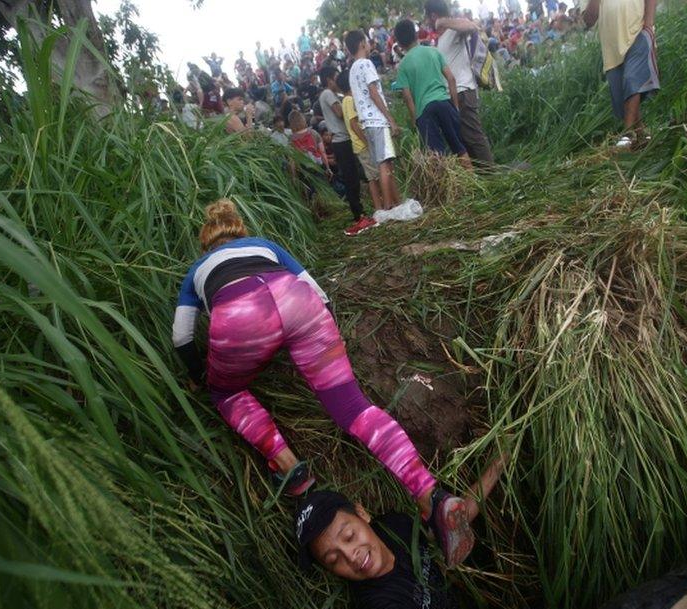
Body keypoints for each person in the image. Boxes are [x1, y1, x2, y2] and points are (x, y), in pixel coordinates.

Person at [172, 200, 477, 566]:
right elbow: (314, 288)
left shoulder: (196, 269)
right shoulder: (265, 246)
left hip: (242, 318)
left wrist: (196, 376)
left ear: (207, 244)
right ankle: (431, 496)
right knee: (354, 408)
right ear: (240, 231)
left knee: (226, 391)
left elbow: (181, 338)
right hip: (298, 302)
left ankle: (291, 469)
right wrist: (327, 335)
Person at [295, 456, 506, 609]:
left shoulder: (396, 526)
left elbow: (452, 525)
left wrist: (499, 462)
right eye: (333, 560)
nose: (351, 556)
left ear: (361, 515)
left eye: (349, 536)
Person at [346, 30, 420, 231]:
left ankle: (395, 203)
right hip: (377, 120)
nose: (370, 45)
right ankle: (388, 207)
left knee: (384, 162)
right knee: (385, 164)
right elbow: (373, 93)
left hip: (366, 122)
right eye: (367, 42)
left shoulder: (352, 69)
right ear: (362, 43)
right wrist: (390, 119)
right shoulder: (366, 64)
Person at [424, 0, 496, 166]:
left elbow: (471, 26)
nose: (427, 22)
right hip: (455, 95)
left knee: (474, 137)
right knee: (465, 139)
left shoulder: (453, 29)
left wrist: (443, 21)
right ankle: (484, 175)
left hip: (464, 91)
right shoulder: (441, 39)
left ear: (433, 16)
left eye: (428, 17)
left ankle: (492, 176)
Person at [394, 20, 472, 168]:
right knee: (460, 148)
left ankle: (448, 189)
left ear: (399, 43)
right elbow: (451, 78)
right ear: (416, 34)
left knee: (437, 157)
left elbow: (407, 97)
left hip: (424, 111)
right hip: (444, 102)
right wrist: (454, 106)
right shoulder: (433, 51)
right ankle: (473, 186)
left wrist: (415, 119)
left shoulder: (403, 65)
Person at [583, 0, 658, 148]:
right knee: (621, 94)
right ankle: (641, 134)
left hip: (638, 32)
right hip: (612, 46)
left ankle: (628, 133)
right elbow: (589, 20)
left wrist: (648, 25)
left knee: (632, 78)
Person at [318, 66, 366, 230]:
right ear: (328, 80)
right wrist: (348, 101)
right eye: (335, 77)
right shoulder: (327, 94)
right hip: (341, 140)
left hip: (342, 140)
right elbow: (339, 113)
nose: (337, 80)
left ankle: (359, 211)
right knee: (351, 177)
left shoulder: (332, 94)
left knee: (353, 175)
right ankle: (358, 214)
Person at [337, 70, 383, 223]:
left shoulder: (345, 100)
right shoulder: (349, 100)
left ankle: (380, 207)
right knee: (373, 177)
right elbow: (353, 123)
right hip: (361, 145)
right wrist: (367, 141)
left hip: (359, 145)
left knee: (373, 177)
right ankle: (379, 208)